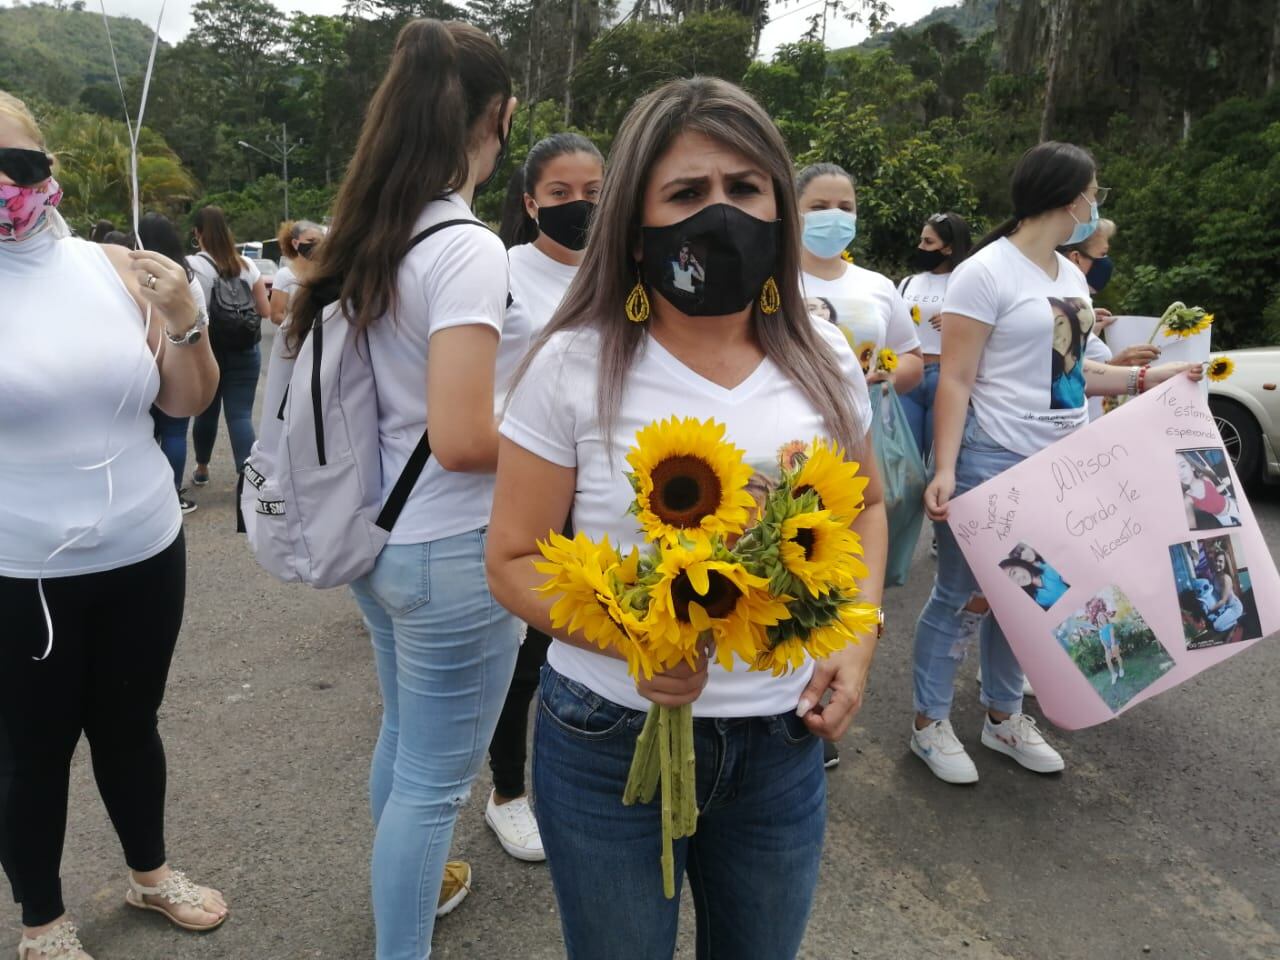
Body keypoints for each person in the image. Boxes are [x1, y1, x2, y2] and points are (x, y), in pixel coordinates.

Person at [486, 77, 888, 960]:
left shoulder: (823, 355)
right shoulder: (571, 365)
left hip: (785, 743)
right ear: (635, 223)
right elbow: (512, 558)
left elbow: (865, 509)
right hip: (605, 737)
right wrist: (634, 639)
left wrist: (855, 642)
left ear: (779, 207)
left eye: (745, 189)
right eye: (686, 193)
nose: (721, 214)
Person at [288, 19, 521, 959]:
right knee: (435, 779)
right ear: (499, 118)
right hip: (453, 552)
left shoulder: (375, 233)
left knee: (408, 748)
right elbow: (466, 438)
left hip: (380, 541)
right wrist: (570, 442)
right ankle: (402, 942)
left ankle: (403, 915)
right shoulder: (466, 248)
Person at [0, 89, 227, 960]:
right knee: (31, 752)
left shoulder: (112, 266)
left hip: (143, 547)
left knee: (133, 725)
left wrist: (184, 318)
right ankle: (41, 918)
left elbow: (184, 399)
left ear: (47, 168)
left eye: (15, 166)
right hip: (22, 572)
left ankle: (150, 873)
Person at [914, 140, 1204, 785]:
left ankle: (1003, 715)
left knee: (1036, 598)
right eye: (1094, 191)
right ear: (1070, 196)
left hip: (1060, 463)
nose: (1096, 203)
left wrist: (1150, 378)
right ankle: (928, 724)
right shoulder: (984, 273)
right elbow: (956, 380)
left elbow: (1074, 374)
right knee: (965, 598)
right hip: (992, 459)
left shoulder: (1068, 276)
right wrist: (945, 468)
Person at [486, 132, 604, 863]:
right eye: (560, 194)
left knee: (603, 638)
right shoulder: (499, 273)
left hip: (606, 488)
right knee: (525, 651)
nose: (578, 206)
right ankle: (508, 792)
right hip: (529, 485)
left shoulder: (629, 269)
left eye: (592, 192)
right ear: (531, 203)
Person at [796, 162, 923, 394]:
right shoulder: (770, 283)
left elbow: (912, 358)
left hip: (867, 424)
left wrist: (891, 377)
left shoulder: (879, 286)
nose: (834, 216)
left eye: (845, 208)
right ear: (795, 212)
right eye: (819, 207)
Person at [187, 206, 269, 494]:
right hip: (246, 350)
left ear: (197, 233)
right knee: (241, 414)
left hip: (210, 352)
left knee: (206, 413)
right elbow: (265, 310)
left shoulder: (191, 266)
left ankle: (202, 468)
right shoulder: (247, 265)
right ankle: (248, 477)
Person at [141, 212, 210, 516]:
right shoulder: (184, 276)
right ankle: (171, 495)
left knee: (142, 431)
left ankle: (144, 496)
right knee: (174, 431)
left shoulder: (127, 272)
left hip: (140, 363)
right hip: (177, 360)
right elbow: (202, 322)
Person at [1059, 219, 1158, 419]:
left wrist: (1089, 332)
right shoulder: (1063, 307)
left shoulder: (1073, 307)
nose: (1107, 262)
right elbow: (1060, 391)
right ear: (1076, 258)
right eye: (1102, 254)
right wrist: (1117, 366)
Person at [898, 212, 971, 459]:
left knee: (938, 457)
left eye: (928, 242)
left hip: (946, 374)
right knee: (905, 459)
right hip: (909, 373)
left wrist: (958, 322)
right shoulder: (908, 282)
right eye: (921, 241)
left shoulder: (968, 282)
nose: (921, 247)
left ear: (948, 248)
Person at [269, 219, 324, 327]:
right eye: (310, 240)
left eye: (319, 242)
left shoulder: (325, 273)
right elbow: (276, 315)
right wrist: (300, 326)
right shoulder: (284, 275)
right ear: (295, 243)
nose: (316, 246)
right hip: (295, 339)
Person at [1177, 453, 1239, 527]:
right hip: (1222, 518)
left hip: (1231, 505)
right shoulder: (1187, 498)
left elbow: (1215, 491)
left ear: (1192, 467)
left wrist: (1225, 484)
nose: (1180, 473)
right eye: (1175, 471)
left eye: (1182, 466)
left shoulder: (1204, 478)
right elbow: (1191, 525)